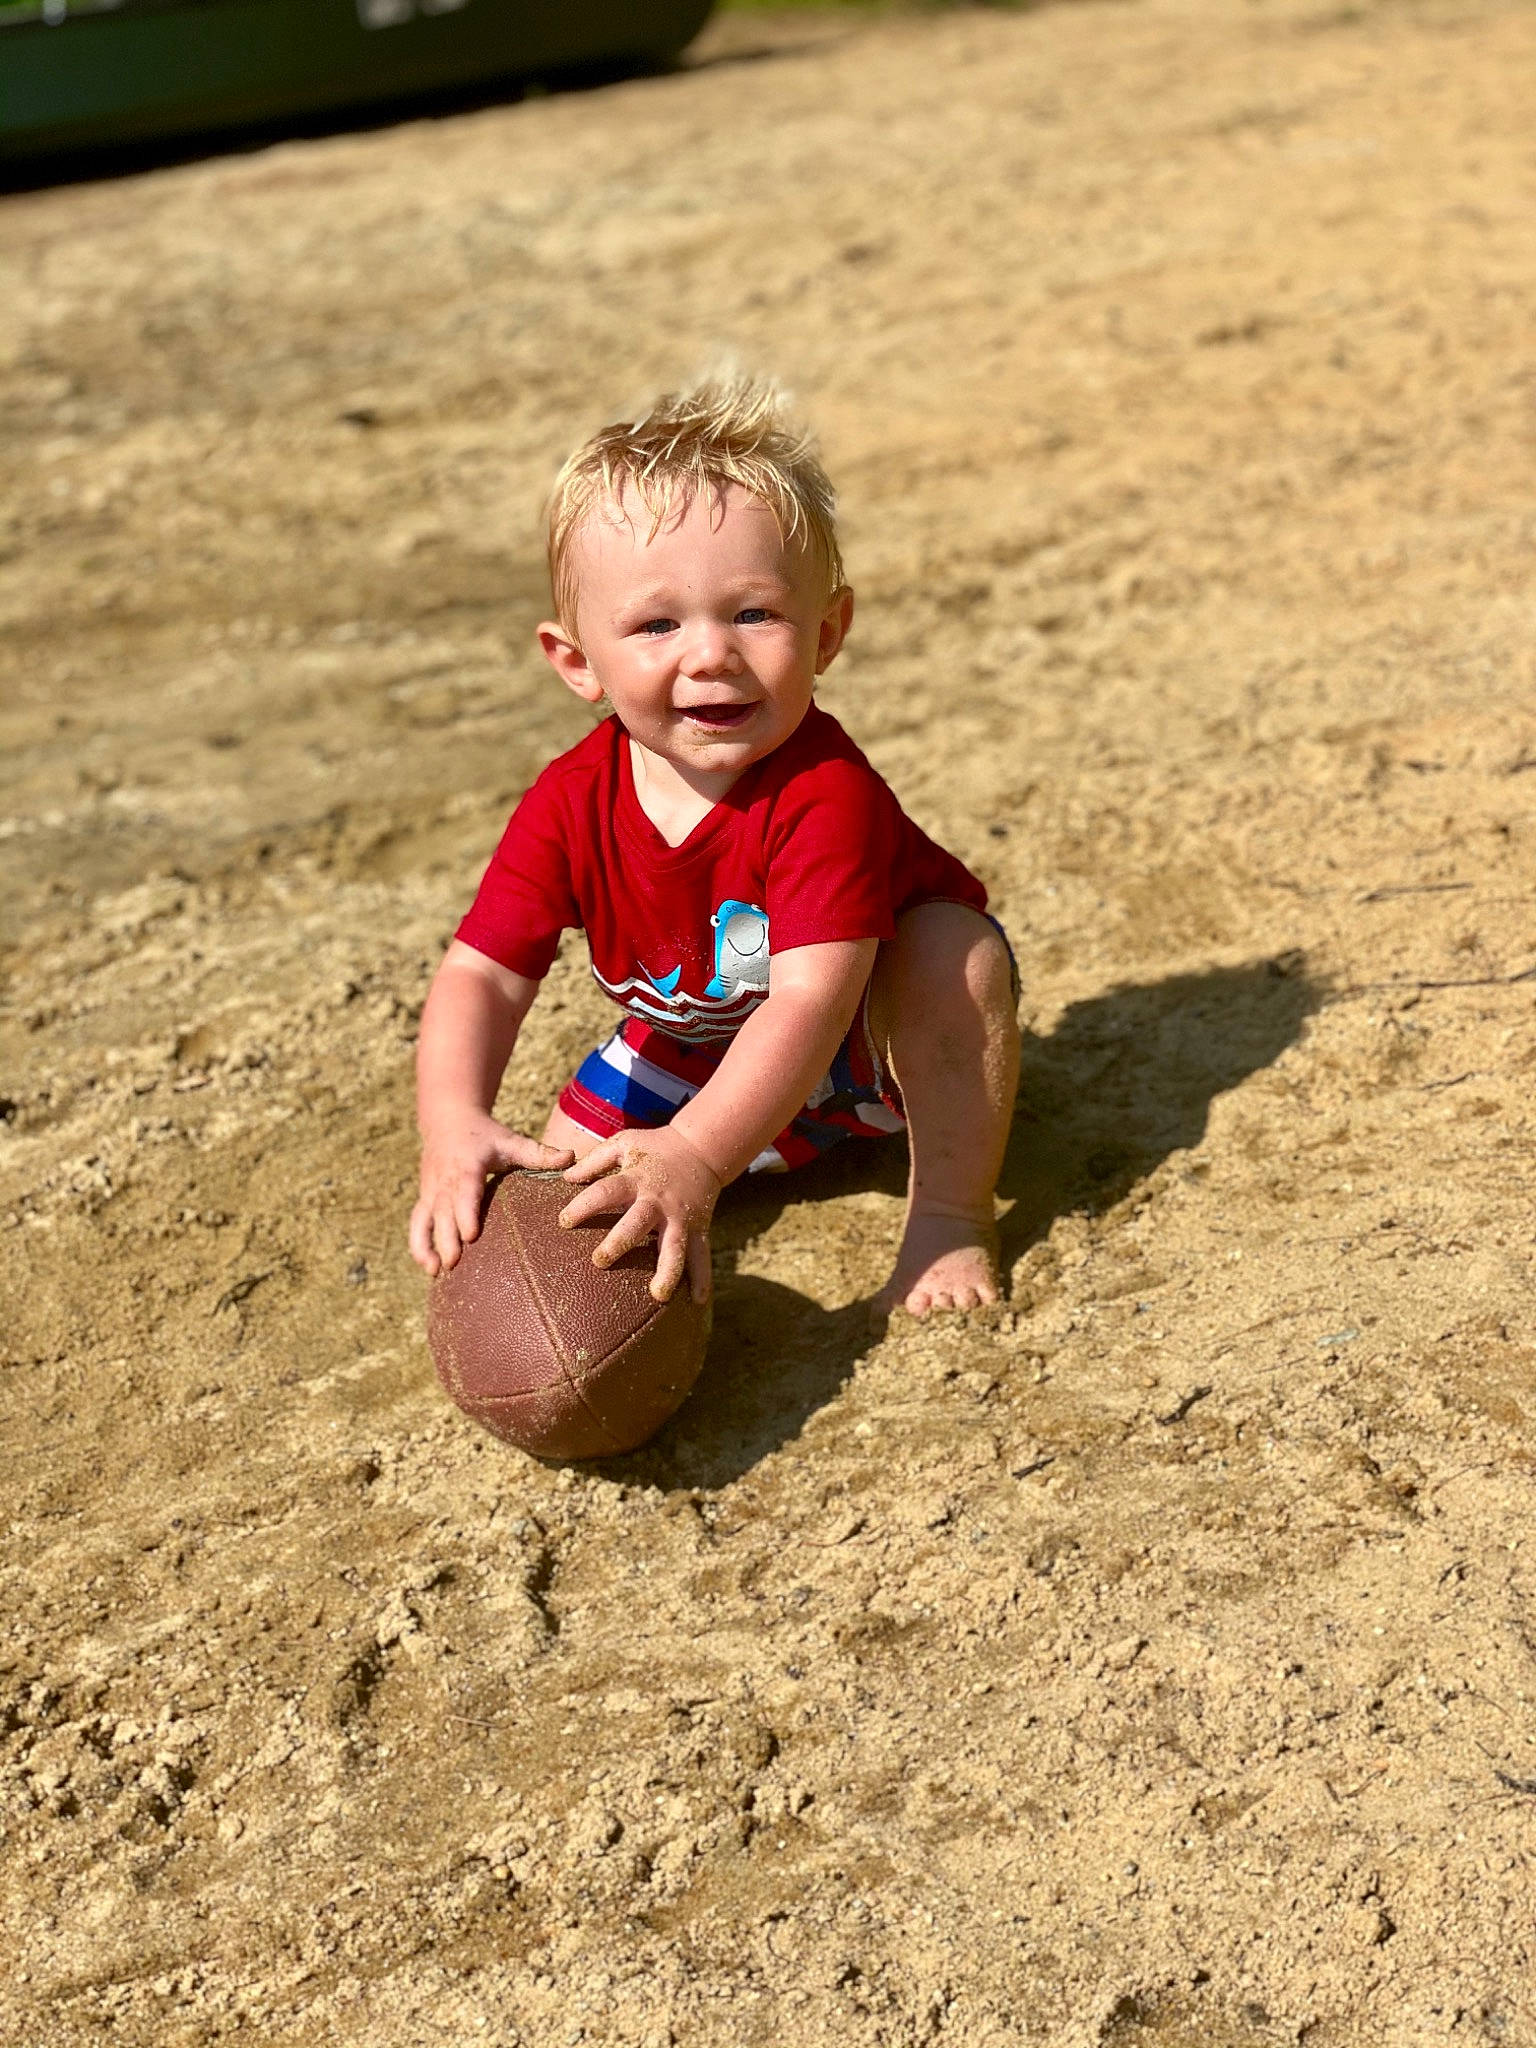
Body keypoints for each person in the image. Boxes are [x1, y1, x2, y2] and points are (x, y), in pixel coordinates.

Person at [409, 377, 1019, 1317]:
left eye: (753, 614)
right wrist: (451, 1123)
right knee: (562, 1207)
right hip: (696, 1041)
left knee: (956, 953)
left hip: (868, 1042)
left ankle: (948, 1211)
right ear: (577, 663)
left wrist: (695, 1153)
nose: (710, 656)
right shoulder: (571, 802)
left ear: (827, 632)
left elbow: (813, 997)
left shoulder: (825, 793)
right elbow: (482, 973)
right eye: (657, 625)